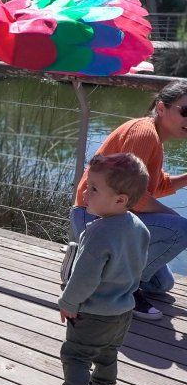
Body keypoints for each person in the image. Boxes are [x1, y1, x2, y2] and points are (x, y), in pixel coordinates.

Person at [72, 80, 187, 319]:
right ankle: (119, 289)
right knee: (181, 229)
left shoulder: (153, 135)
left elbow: (157, 186)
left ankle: (86, 265)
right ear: (162, 107)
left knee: (161, 284)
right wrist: (173, 217)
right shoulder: (144, 134)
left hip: (107, 216)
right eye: (185, 112)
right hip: (94, 217)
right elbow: (131, 199)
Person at [53, 153, 150, 385]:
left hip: (93, 312)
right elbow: (138, 266)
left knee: (75, 354)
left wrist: (68, 301)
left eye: (94, 188)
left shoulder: (98, 233)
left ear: (120, 199)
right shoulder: (139, 228)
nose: (85, 191)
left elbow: (84, 277)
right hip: (122, 312)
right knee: (108, 354)